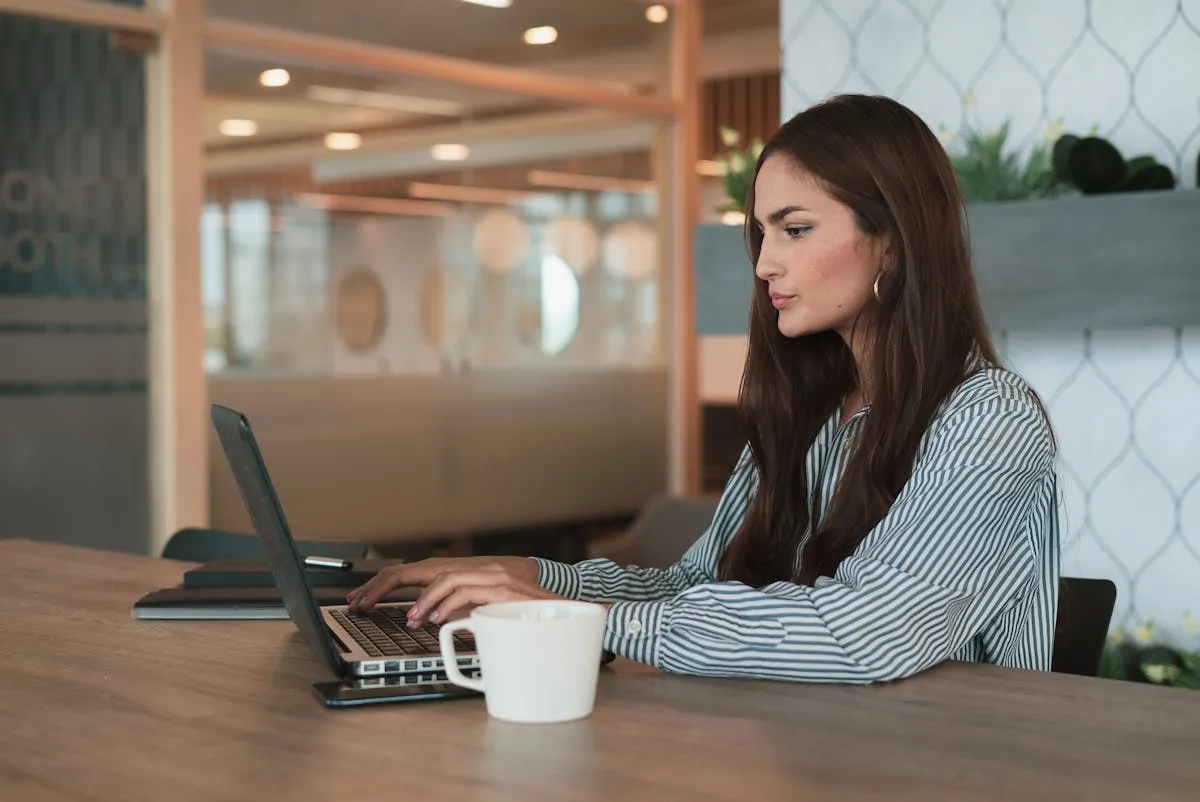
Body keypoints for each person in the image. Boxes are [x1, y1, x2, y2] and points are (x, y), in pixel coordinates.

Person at [347, 93, 1061, 684]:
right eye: (761, 234)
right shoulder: (807, 413)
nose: (765, 264)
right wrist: (528, 578)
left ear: (893, 242)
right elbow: (695, 588)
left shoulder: (988, 418)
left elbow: (867, 632)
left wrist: (572, 617)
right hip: (806, 753)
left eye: (796, 229)